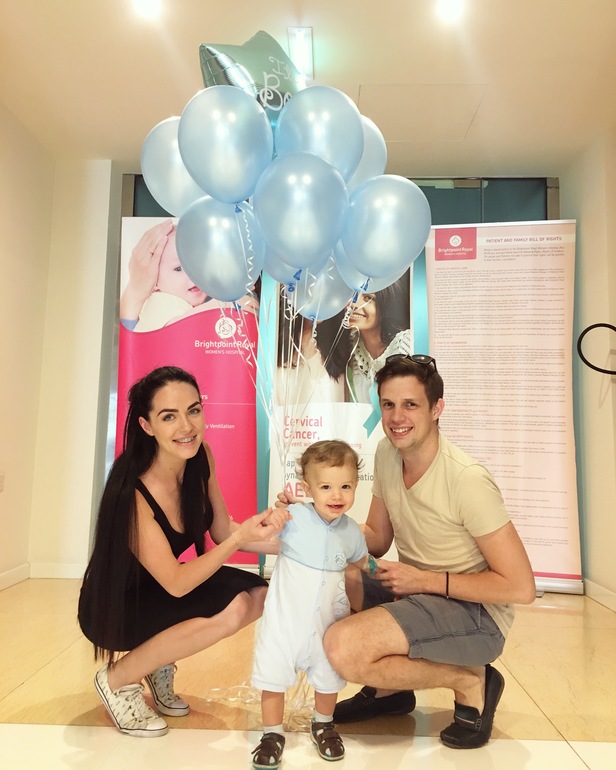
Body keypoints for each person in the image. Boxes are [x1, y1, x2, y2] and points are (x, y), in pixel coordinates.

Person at [318, 354, 537, 749]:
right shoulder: (387, 453)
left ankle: (472, 681)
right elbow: (377, 538)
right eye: (388, 404)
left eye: (410, 404)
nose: (396, 417)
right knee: (341, 576)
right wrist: (315, 518)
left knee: (342, 648)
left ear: (437, 409)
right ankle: (389, 692)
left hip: (477, 616)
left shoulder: (466, 480)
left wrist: (424, 580)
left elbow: (521, 587)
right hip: (418, 592)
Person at [78, 366, 288, 738]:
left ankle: (156, 658)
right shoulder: (132, 493)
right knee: (231, 610)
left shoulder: (201, 456)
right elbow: (177, 583)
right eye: (169, 417)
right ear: (146, 426)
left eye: (193, 410)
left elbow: (222, 530)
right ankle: (117, 679)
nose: (186, 426)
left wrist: (291, 543)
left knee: (258, 595)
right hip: (116, 606)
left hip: (160, 590)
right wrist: (238, 541)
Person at [250, 440, 372, 768]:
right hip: (284, 625)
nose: (336, 495)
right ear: (308, 488)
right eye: (326, 486)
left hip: (328, 624)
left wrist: (381, 571)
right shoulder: (293, 518)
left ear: (356, 486)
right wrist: (274, 516)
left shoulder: (351, 531)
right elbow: (257, 534)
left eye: (346, 486)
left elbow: (362, 561)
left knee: (327, 676)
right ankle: (272, 733)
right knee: (273, 677)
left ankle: (323, 724)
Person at [120, 220, 258, 332]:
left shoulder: (184, 302)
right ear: (154, 282)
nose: (192, 274)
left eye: (198, 265)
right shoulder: (161, 302)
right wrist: (223, 304)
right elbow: (179, 327)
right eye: (178, 268)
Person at [345, 275, 413, 403]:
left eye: (368, 298)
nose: (353, 304)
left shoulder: (407, 344)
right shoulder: (352, 346)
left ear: (386, 305)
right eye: (351, 295)